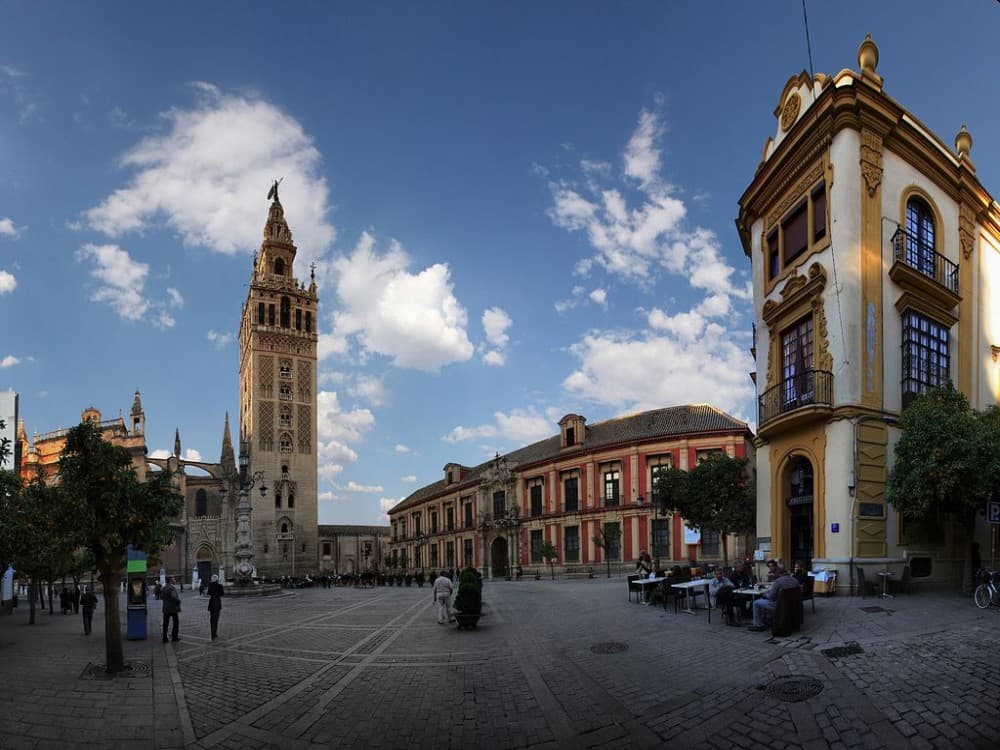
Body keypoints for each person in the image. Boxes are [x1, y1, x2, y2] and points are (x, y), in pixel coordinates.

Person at [748, 566, 800, 632]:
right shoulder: (795, 580)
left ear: (779, 574)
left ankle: (758, 625)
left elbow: (771, 597)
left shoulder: (778, 581)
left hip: (778, 605)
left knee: (756, 603)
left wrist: (765, 594)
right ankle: (769, 618)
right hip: (793, 604)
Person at [161, 576, 181, 643]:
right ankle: (174, 637)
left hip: (166, 608)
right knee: (176, 622)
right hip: (173, 608)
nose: (175, 580)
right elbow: (173, 597)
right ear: (170, 580)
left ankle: (164, 638)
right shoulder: (172, 588)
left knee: (165, 623)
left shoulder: (164, 588)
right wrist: (178, 601)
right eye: (174, 579)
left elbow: (162, 597)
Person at [206, 574, 224, 641]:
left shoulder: (210, 585)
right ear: (217, 579)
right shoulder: (220, 586)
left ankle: (213, 633)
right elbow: (222, 594)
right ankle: (214, 633)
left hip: (211, 604)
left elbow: (208, 593)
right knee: (216, 619)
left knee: (212, 619)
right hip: (217, 603)